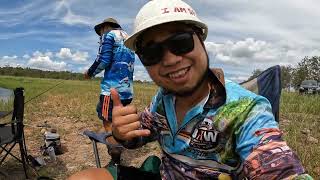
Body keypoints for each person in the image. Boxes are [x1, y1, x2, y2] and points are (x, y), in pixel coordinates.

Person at [70, 0, 313, 179]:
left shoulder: (246, 110)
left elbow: (278, 166)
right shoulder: (162, 100)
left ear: (201, 40)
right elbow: (139, 136)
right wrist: (123, 134)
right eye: (152, 52)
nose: (170, 60)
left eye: (181, 42)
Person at [84, 17, 135, 165]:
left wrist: (89, 73)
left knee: (109, 124)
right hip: (127, 90)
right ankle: (120, 145)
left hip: (111, 91)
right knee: (120, 122)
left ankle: (115, 158)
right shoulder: (127, 38)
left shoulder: (109, 35)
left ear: (105, 27)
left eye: (100, 31)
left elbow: (103, 60)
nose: (100, 35)